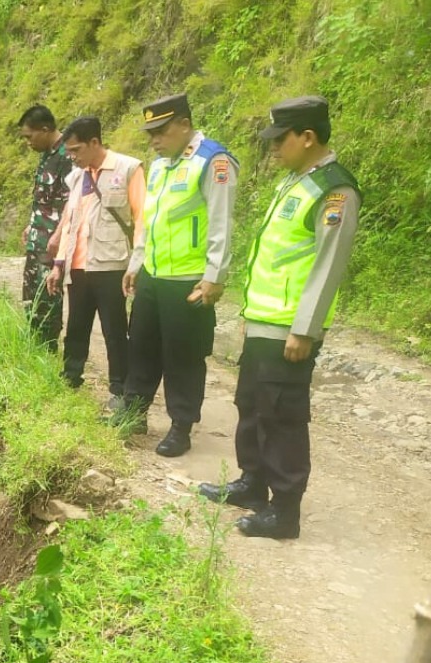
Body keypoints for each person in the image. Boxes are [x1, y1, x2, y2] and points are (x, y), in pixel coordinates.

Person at [198, 96, 361, 539]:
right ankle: (253, 483)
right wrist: (252, 316)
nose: (272, 148)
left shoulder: (334, 190)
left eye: (279, 139)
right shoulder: (297, 181)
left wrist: (304, 328)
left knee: (282, 416)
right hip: (265, 322)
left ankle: (284, 511)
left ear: (307, 137)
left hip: (290, 327)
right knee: (251, 405)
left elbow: (328, 266)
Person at [117, 93, 238, 456]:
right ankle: (133, 413)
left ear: (185, 125)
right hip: (154, 275)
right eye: (150, 132)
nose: (154, 139)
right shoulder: (159, 165)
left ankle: (181, 427)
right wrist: (137, 264)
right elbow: (149, 220)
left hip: (189, 279)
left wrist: (215, 276)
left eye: (162, 131)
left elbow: (221, 223)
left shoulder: (213, 161)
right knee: (141, 346)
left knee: (183, 357)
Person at [48, 117, 144, 403]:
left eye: (77, 150)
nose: (72, 157)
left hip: (111, 264)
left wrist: (136, 263)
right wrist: (59, 264)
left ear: (94, 142)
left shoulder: (128, 168)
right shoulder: (77, 176)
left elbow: (142, 218)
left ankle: (119, 388)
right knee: (76, 325)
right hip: (78, 265)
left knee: (114, 330)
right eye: (69, 151)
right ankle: (70, 377)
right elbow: (70, 222)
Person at [17, 105, 73, 349]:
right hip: (38, 239)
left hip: (53, 244)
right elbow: (45, 198)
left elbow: (72, 201)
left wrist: (59, 236)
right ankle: (34, 346)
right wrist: (32, 224)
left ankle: (47, 349)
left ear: (45, 129)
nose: (28, 142)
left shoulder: (67, 156)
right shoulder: (46, 155)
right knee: (32, 298)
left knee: (48, 297)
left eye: (30, 136)